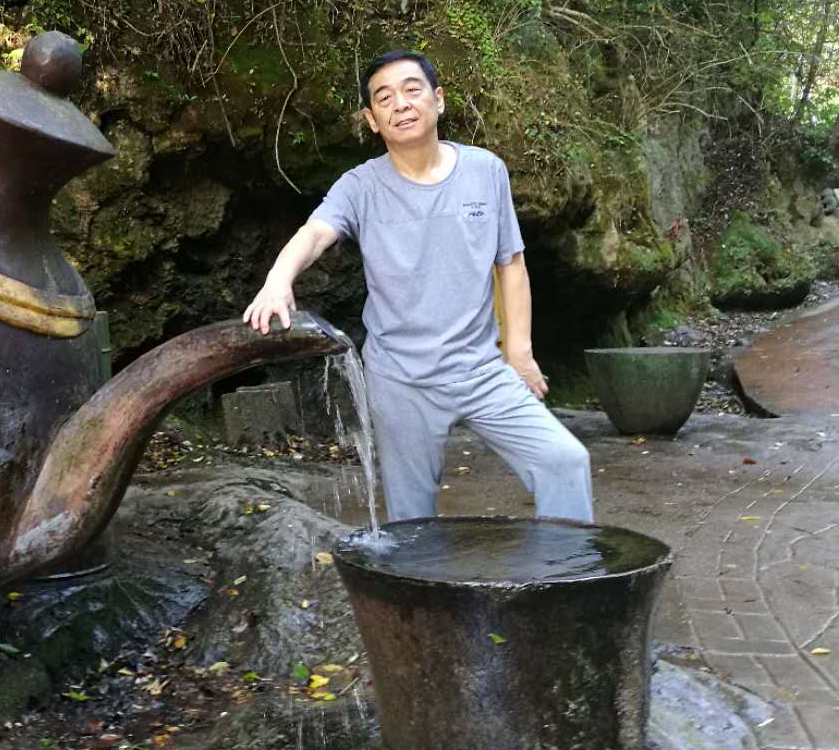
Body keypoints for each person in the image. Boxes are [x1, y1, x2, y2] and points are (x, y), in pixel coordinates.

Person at [243, 51, 593, 523]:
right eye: (384, 98)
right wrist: (277, 280)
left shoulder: (485, 170)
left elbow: (511, 264)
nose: (401, 105)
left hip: (481, 370)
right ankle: (416, 574)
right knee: (412, 518)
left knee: (564, 462)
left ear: (438, 99)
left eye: (412, 90)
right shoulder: (359, 186)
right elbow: (315, 234)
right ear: (372, 120)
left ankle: (567, 567)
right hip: (399, 380)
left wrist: (520, 353)